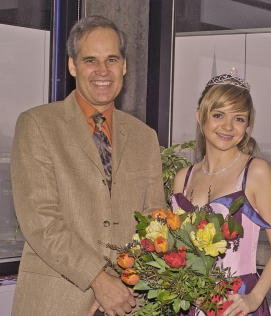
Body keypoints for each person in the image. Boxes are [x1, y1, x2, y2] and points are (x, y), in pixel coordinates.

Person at [10, 16, 165, 316]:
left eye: (111, 59)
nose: (102, 71)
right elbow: (42, 221)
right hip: (56, 301)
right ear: (72, 66)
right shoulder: (37, 125)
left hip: (127, 303)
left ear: (124, 66)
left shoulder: (144, 137)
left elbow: (153, 221)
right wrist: (99, 280)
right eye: (90, 60)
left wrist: (127, 283)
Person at [171, 73, 271, 316]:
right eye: (218, 115)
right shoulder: (183, 177)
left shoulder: (256, 172)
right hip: (188, 305)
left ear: (247, 126)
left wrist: (255, 297)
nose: (227, 126)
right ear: (200, 117)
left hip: (236, 304)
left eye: (238, 118)